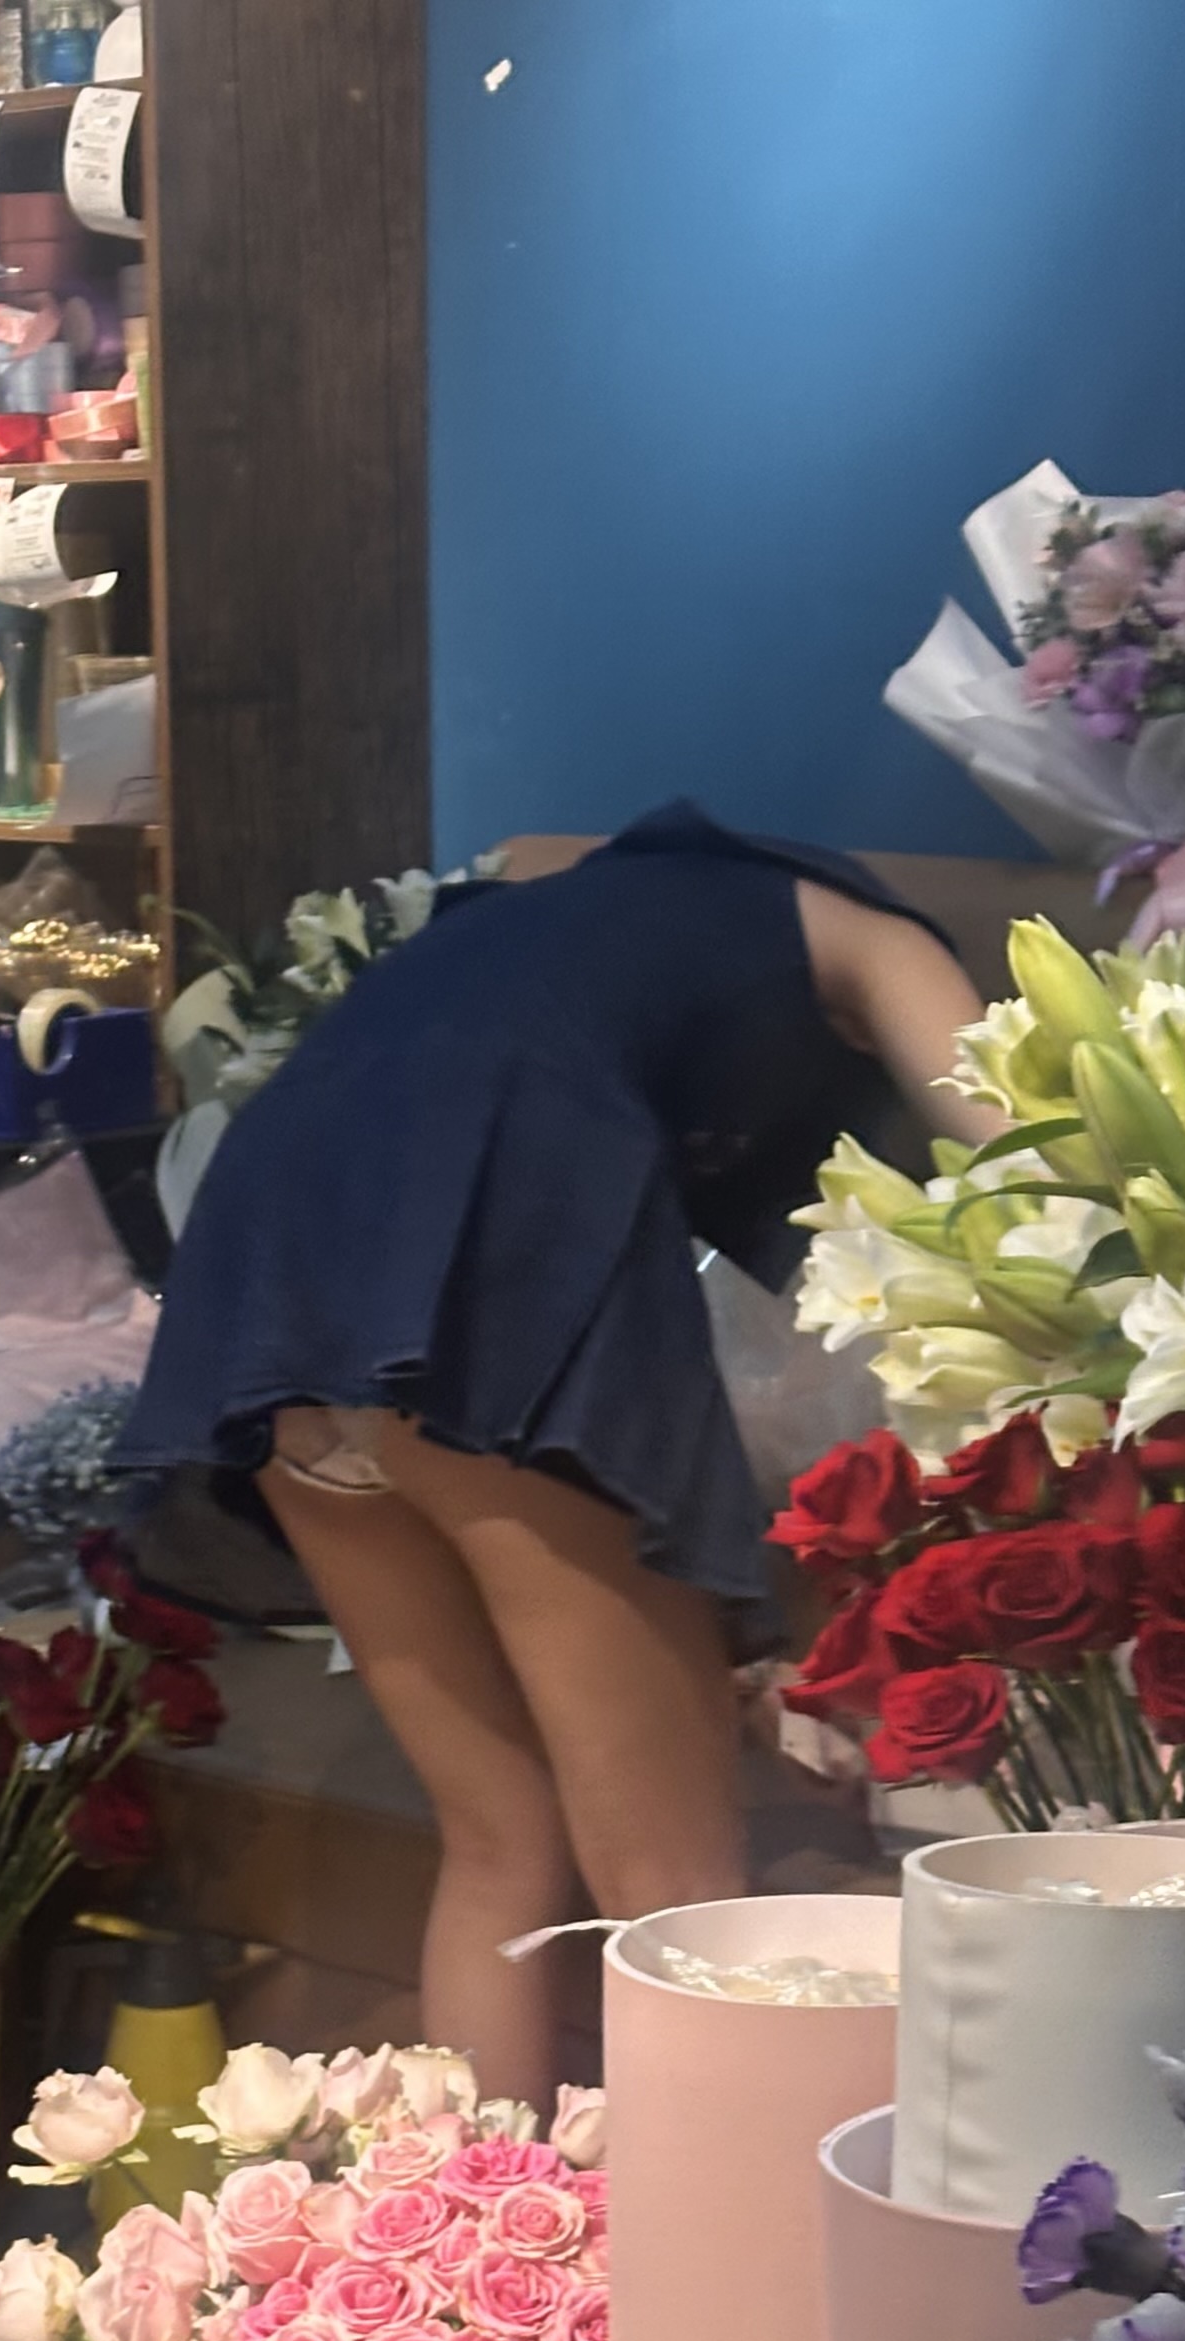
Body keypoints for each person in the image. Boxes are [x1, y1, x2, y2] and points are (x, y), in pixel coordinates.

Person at [121, 803, 994, 2104]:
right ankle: (715, 2227)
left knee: (497, 1842)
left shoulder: (570, 926)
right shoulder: (875, 939)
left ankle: (479, 2223)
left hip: (270, 1281)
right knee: (674, 1885)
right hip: (482, 1259)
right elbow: (1025, 1166)